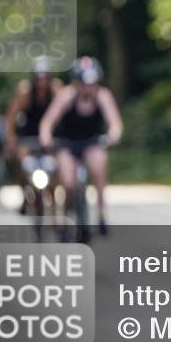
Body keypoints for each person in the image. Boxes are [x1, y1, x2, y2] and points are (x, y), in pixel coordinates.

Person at [39, 56, 123, 241]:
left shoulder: (103, 95)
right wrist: (46, 138)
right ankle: (66, 217)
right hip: (67, 144)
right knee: (68, 183)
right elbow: (48, 122)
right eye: (85, 83)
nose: (89, 87)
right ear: (78, 82)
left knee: (99, 168)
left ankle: (101, 215)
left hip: (92, 142)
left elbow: (114, 122)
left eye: (92, 83)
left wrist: (113, 135)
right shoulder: (67, 95)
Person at [5, 56, 64, 214]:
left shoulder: (57, 90)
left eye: (45, 77)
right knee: (22, 163)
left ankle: (53, 200)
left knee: (56, 165)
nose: (42, 82)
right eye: (39, 78)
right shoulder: (25, 92)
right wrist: (11, 141)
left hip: (51, 136)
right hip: (28, 135)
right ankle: (25, 192)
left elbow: (65, 115)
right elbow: (11, 118)